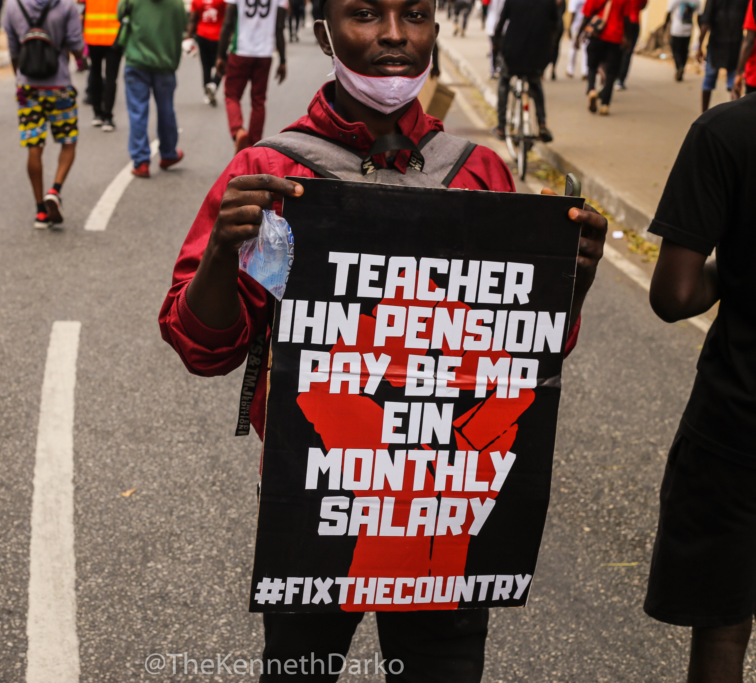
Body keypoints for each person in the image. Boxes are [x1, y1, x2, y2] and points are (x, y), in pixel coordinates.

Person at [159, 0, 608, 677]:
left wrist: (569, 282)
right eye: (366, 14)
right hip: (315, 507)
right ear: (323, 32)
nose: (394, 35)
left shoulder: (478, 173)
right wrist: (225, 251)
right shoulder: (273, 174)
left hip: (446, 515)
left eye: (416, 14)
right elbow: (203, 348)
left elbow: (523, 356)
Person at [643, 0, 756, 679]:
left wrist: (742, 258)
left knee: (723, 633)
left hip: (738, 429)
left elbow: (674, 296)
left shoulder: (728, 133)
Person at [2, 0, 85, 228]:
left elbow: (13, 49)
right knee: (69, 141)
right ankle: (55, 190)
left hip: (28, 87)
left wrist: (20, 81)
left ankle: (40, 210)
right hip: (59, 86)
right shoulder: (67, 6)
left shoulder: (12, 6)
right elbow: (77, 45)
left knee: (34, 146)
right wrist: (80, 58)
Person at [119, 0, 187, 178]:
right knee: (166, 110)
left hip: (137, 61)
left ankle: (141, 162)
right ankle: (168, 153)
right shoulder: (177, 4)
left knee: (137, 112)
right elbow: (182, 26)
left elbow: (120, 14)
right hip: (165, 64)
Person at [216, 0, 289, 152]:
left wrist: (221, 55)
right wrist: (282, 60)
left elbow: (228, 22)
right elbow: (279, 27)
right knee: (259, 101)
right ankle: (254, 147)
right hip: (265, 53)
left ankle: (238, 131)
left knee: (232, 95)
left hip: (241, 51)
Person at [491, 0, 558, 142]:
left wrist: (496, 47)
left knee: (504, 82)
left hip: (512, 54)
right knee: (536, 84)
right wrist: (549, 49)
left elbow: (500, 24)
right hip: (538, 56)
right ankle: (542, 124)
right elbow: (557, 26)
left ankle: (501, 127)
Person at [581, 0, 633, 114]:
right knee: (611, 72)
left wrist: (580, 33)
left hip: (597, 35)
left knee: (592, 67)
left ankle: (592, 90)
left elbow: (587, 15)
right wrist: (628, 39)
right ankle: (605, 104)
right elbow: (627, 19)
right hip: (615, 38)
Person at [696, 0, 748, 112]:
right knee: (734, 83)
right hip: (735, 45)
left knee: (708, 79)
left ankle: (703, 114)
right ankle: (733, 118)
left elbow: (705, 22)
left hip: (716, 44)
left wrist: (699, 46)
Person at [84, 0, 124, 129]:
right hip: (114, 36)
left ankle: (97, 114)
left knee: (95, 73)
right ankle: (107, 117)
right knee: (111, 78)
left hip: (93, 35)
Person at [187, 0, 227, 106]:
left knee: (206, 65)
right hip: (218, 36)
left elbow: (192, 20)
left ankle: (206, 93)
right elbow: (229, 16)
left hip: (202, 34)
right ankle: (213, 85)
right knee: (223, 63)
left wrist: (188, 38)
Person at [615, 0, 647, 89]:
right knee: (628, 52)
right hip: (634, 22)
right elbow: (644, 5)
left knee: (618, 50)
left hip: (622, 21)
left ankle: (614, 75)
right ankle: (620, 80)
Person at [668, 0, 700, 79]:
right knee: (684, 51)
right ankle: (682, 67)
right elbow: (700, 15)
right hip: (688, 29)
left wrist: (665, 25)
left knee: (676, 50)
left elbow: (669, 12)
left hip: (677, 29)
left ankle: (679, 67)